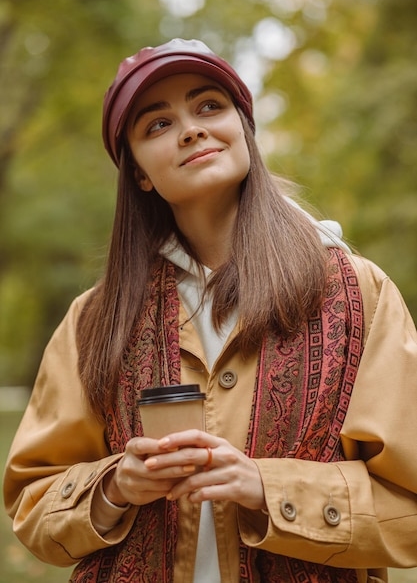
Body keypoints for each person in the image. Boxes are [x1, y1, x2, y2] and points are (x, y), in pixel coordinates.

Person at [3, 38, 417, 583]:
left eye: (208, 107)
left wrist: (268, 489)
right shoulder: (94, 320)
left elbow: (407, 505)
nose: (192, 129)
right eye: (157, 124)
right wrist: (114, 487)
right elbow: (32, 503)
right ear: (139, 174)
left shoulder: (357, 291)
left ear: (243, 131)